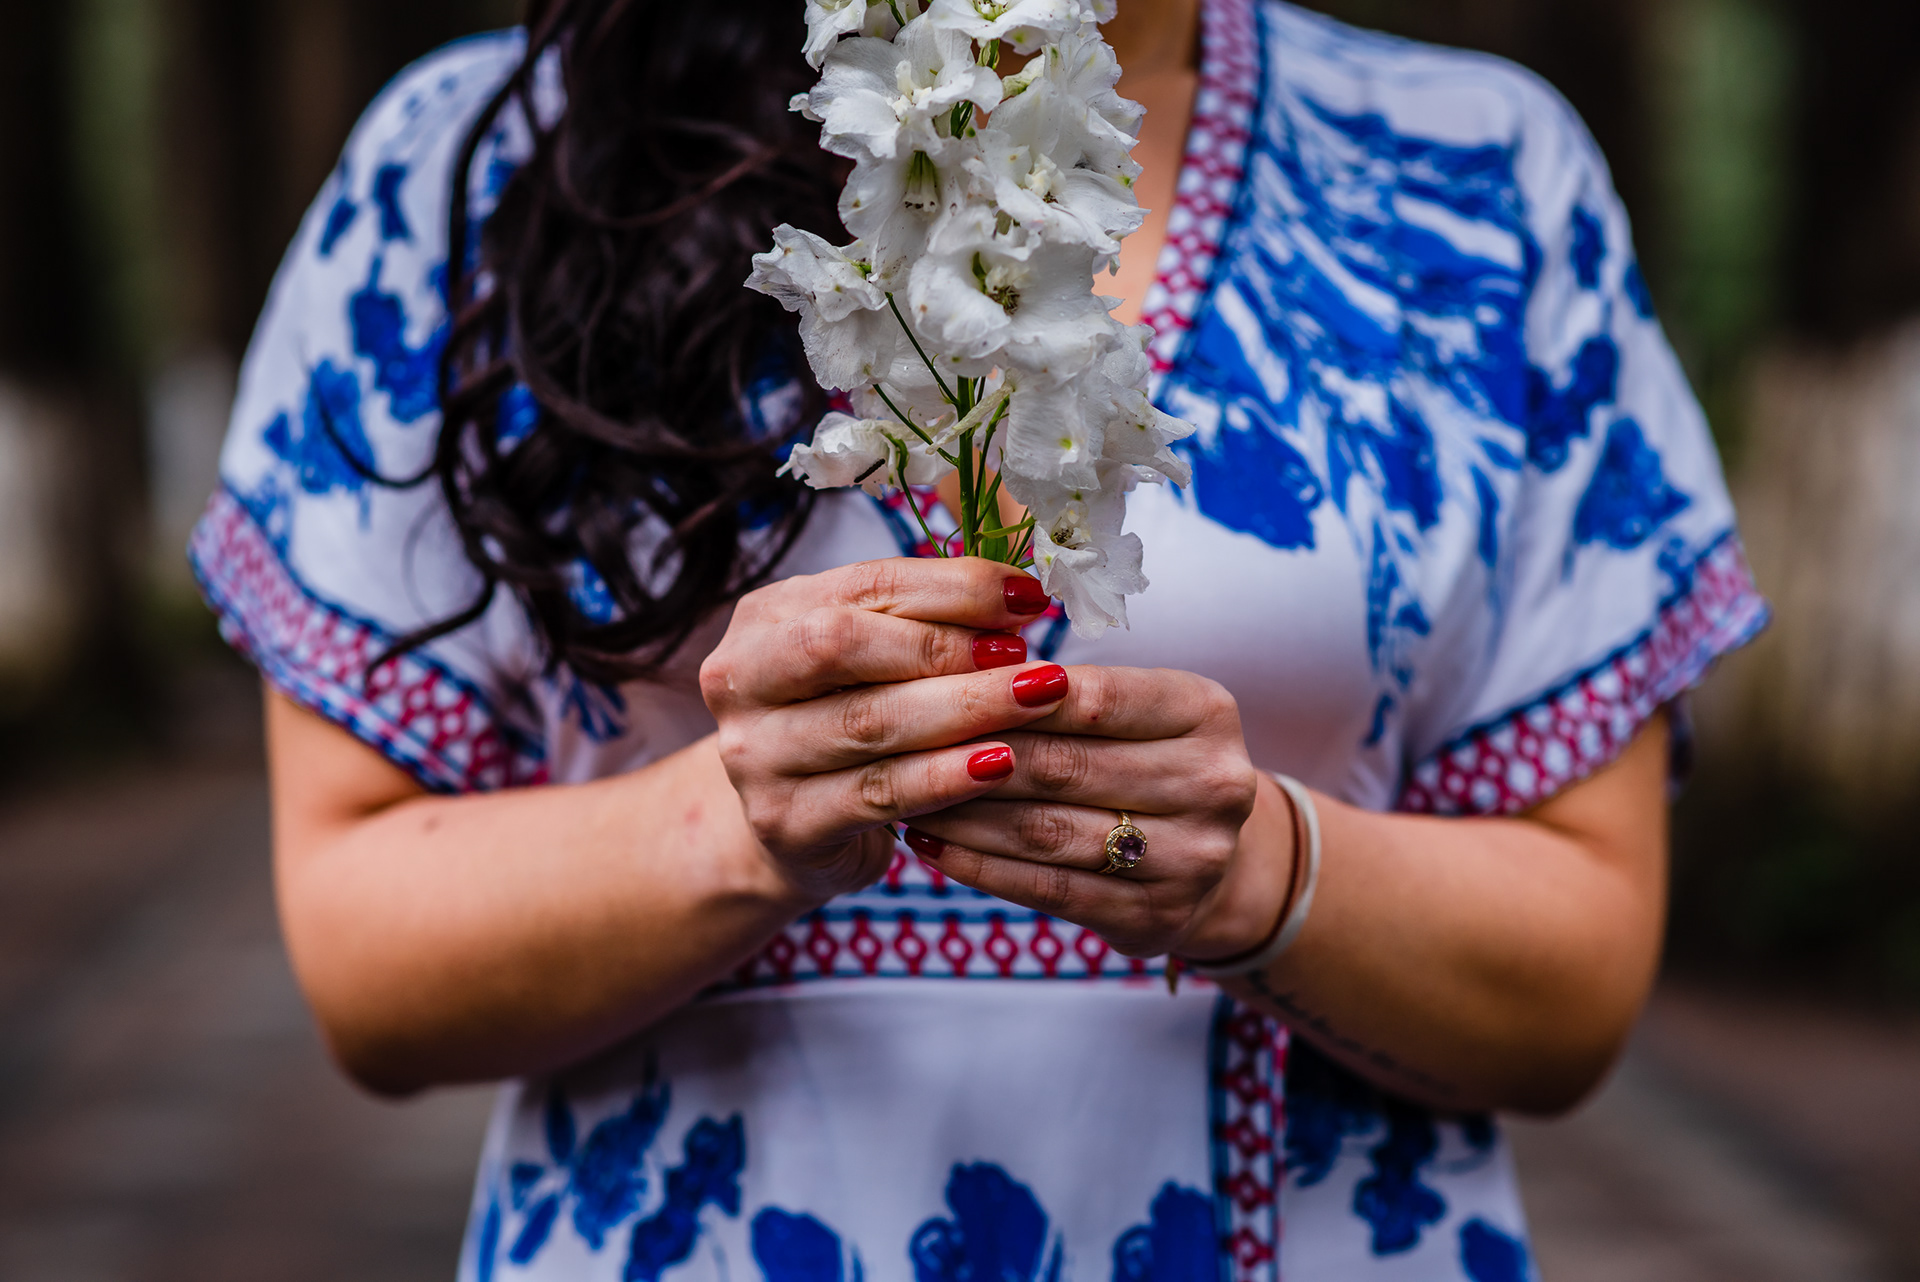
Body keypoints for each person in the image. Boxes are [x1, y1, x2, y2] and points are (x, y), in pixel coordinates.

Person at [188, 0, 1769, 1278]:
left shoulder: (1473, 178)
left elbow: (1577, 975)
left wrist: (1263, 868)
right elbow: (362, 951)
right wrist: (736, 821)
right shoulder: (479, 170)